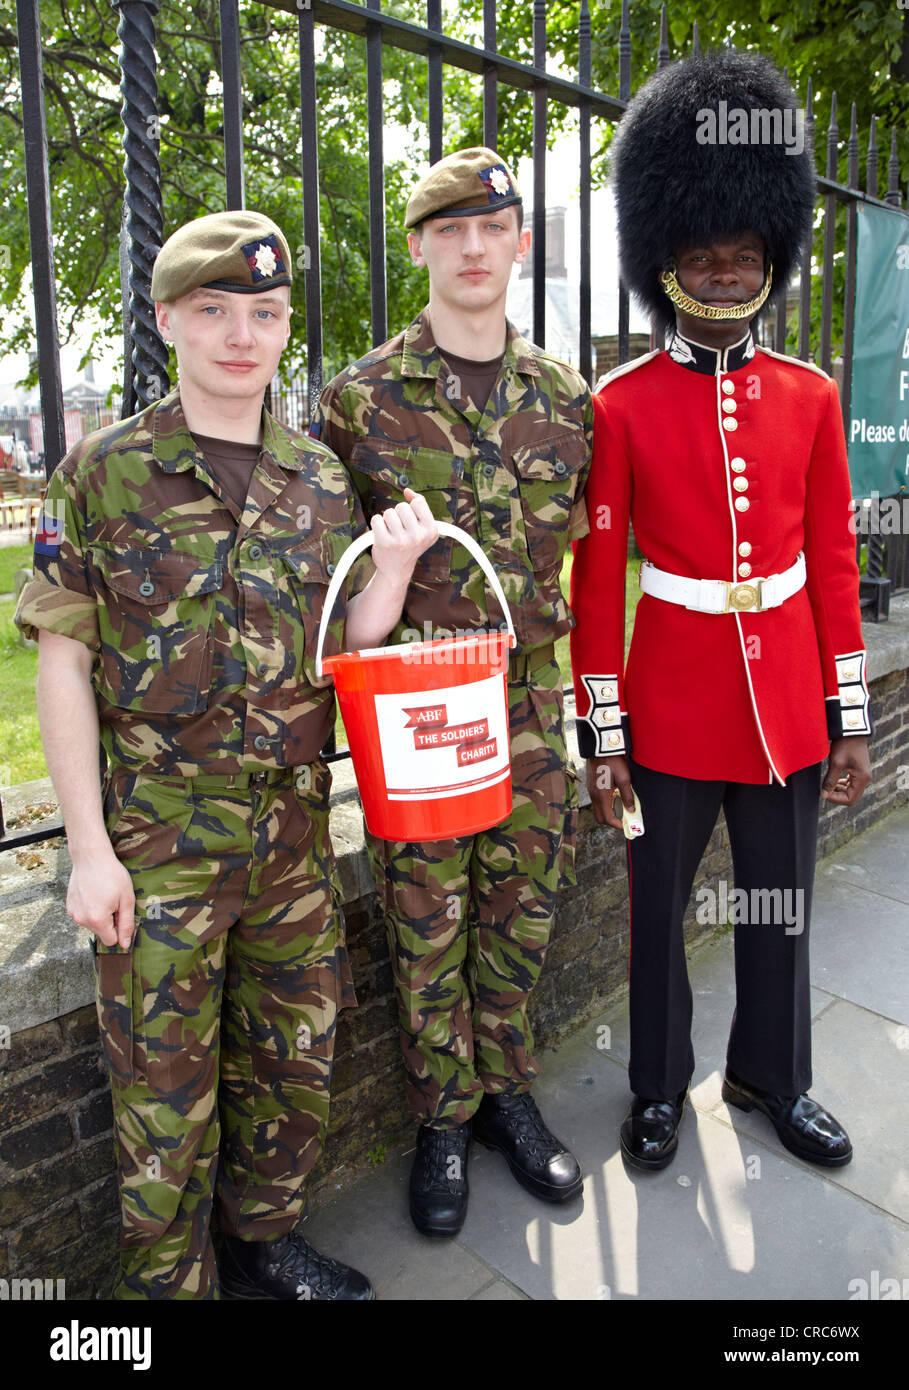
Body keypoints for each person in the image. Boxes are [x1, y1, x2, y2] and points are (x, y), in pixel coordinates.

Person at [15, 210, 437, 1299]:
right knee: (163, 1099)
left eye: (263, 312)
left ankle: (263, 1242)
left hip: (293, 836)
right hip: (160, 848)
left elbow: (346, 642)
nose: (240, 335)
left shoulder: (322, 478)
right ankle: (168, 1288)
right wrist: (90, 853)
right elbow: (61, 667)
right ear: (167, 321)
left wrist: (388, 580)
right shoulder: (102, 473)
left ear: (286, 324)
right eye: (213, 311)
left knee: (292, 1061)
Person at [571, 50, 871, 1174]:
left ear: (770, 255)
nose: (730, 272)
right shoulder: (624, 406)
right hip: (671, 706)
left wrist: (847, 711)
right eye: (706, 253)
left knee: (781, 911)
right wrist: (603, 736)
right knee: (657, 915)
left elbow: (835, 566)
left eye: (746, 254)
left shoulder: (811, 396)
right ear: (669, 261)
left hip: (787, 699)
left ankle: (771, 1075)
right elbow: (599, 585)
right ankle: (657, 1086)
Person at [313, 148, 593, 1236]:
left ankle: (506, 1095)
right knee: (426, 921)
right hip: (421, 708)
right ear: (421, 245)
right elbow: (336, 597)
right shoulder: (361, 401)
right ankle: (443, 1116)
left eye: (494, 229)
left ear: (521, 242)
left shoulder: (568, 401)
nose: (472, 249)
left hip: (526, 706)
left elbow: (583, 550)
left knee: (519, 912)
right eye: (449, 230)